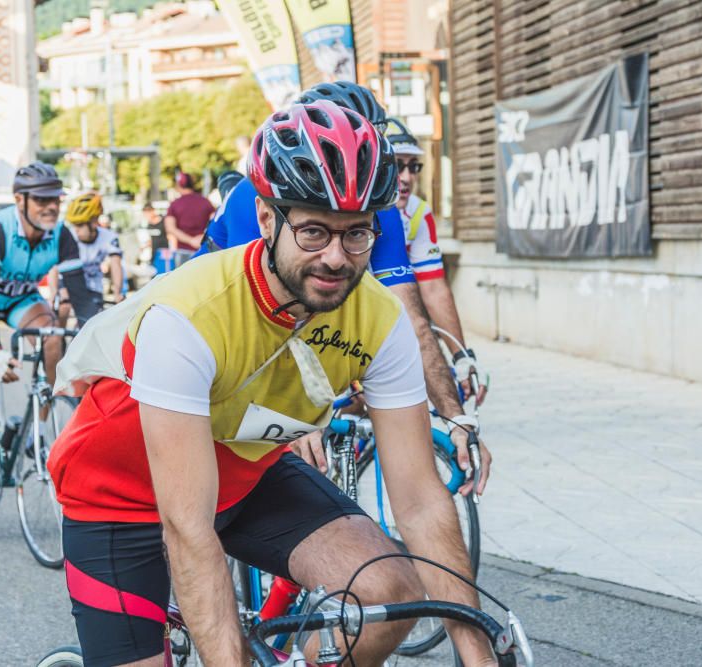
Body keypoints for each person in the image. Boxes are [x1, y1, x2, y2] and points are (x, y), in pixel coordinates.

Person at [47, 100, 496, 667]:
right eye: (312, 231)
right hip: (118, 493)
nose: (336, 258)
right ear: (265, 218)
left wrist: (476, 652)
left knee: (389, 591)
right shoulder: (189, 316)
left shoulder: (380, 320)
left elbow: (420, 500)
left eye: (357, 234)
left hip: (245, 467)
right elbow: (189, 529)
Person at [196, 81, 483, 451]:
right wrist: (289, 418)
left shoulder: (380, 205)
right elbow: (253, 323)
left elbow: (413, 317)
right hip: (219, 334)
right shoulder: (255, 198)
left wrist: (454, 415)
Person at [0, 162, 99, 499]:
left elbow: (82, 299)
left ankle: (38, 433)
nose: (50, 207)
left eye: (55, 200)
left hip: (19, 297)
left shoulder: (61, 235)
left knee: (52, 339)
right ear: (20, 200)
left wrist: (100, 336)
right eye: (41, 199)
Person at [387, 119, 487, 404]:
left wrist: (461, 357)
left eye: (413, 166)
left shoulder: (419, 213)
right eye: (397, 165)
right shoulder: (357, 209)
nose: (406, 177)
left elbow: (433, 289)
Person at [49, 193, 125, 326]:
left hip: (92, 285)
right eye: (74, 225)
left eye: (79, 225)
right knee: (63, 308)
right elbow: (54, 267)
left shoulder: (108, 237)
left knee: (90, 323)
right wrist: (53, 292)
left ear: (94, 223)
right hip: (66, 282)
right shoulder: (69, 236)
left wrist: (117, 292)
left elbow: (116, 265)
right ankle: (59, 341)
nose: (75, 230)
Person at [164, 172, 213, 252]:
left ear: (178, 185)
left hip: (183, 250)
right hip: (203, 249)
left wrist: (190, 240)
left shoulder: (174, 204)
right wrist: (202, 237)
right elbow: (215, 222)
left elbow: (170, 228)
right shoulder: (205, 202)